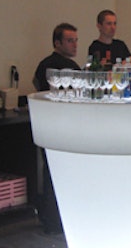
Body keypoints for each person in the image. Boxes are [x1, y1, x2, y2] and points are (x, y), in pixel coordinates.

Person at [33, 23, 81, 234]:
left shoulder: (51, 65)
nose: (74, 44)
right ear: (57, 43)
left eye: (76, 40)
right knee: (57, 174)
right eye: (70, 40)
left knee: (55, 172)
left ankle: (54, 221)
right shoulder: (53, 66)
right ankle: (56, 220)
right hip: (59, 126)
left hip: (60, 126)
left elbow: (36, 84)